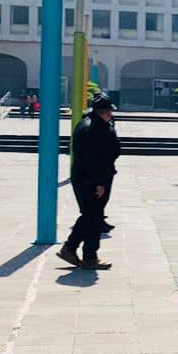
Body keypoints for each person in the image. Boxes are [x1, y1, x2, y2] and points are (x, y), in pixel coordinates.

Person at [59, 92, 121, 270]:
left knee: (91, 216)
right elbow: (94, 159)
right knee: (92, 217)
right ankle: (85, 255)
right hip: (92, 180)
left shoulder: (92, 124)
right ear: (102, 112)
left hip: (88, 178)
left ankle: (74, 250)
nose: (111, 115)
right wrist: (99, 183)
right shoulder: (93, 129)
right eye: (108, 112)